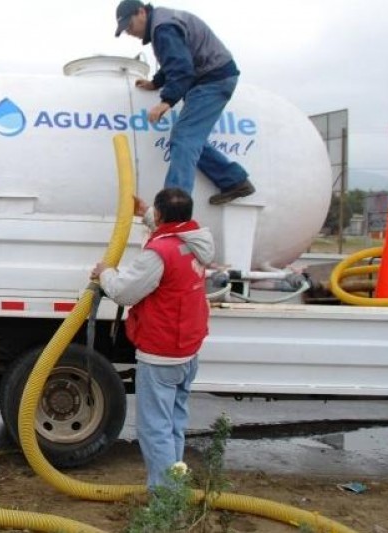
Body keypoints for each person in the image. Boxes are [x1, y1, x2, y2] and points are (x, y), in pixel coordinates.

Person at [91, 188, 213, 488]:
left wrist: (105, 272)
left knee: (154, 429)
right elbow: (171, 228)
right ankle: (175, 487)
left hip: (161, 353)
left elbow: (123, 291)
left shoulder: (160, 253)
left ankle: (166, 500)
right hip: (186, 350)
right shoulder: (195, 242)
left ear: (160, 215)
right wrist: (146, 210)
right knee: (173, 425)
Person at [114, 0, 255, 205]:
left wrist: (166, 101)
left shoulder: (163, 28)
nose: (129, 31)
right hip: (209, 79)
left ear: (141, 12)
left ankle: (174, 205)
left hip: (213, 80)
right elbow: (174, 60)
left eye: (129, 25)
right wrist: (156, 82)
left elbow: (181, 67)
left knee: (183, 137)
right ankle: (234, 181)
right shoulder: (162, 24)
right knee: (191, 139)